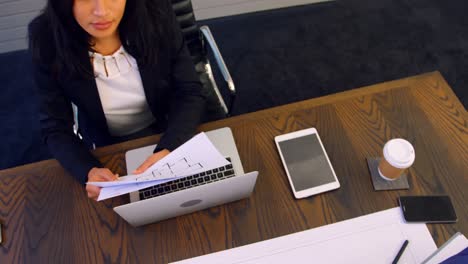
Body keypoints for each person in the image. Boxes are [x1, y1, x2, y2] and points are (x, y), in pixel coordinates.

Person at [29, 0, 207, 200]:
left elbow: (189, 90)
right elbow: (55, 126)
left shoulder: (156, 12)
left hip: (168, 123)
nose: (101, 11)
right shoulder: (45, 37)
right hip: (107, 141)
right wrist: (88, 171)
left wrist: (169, 148)